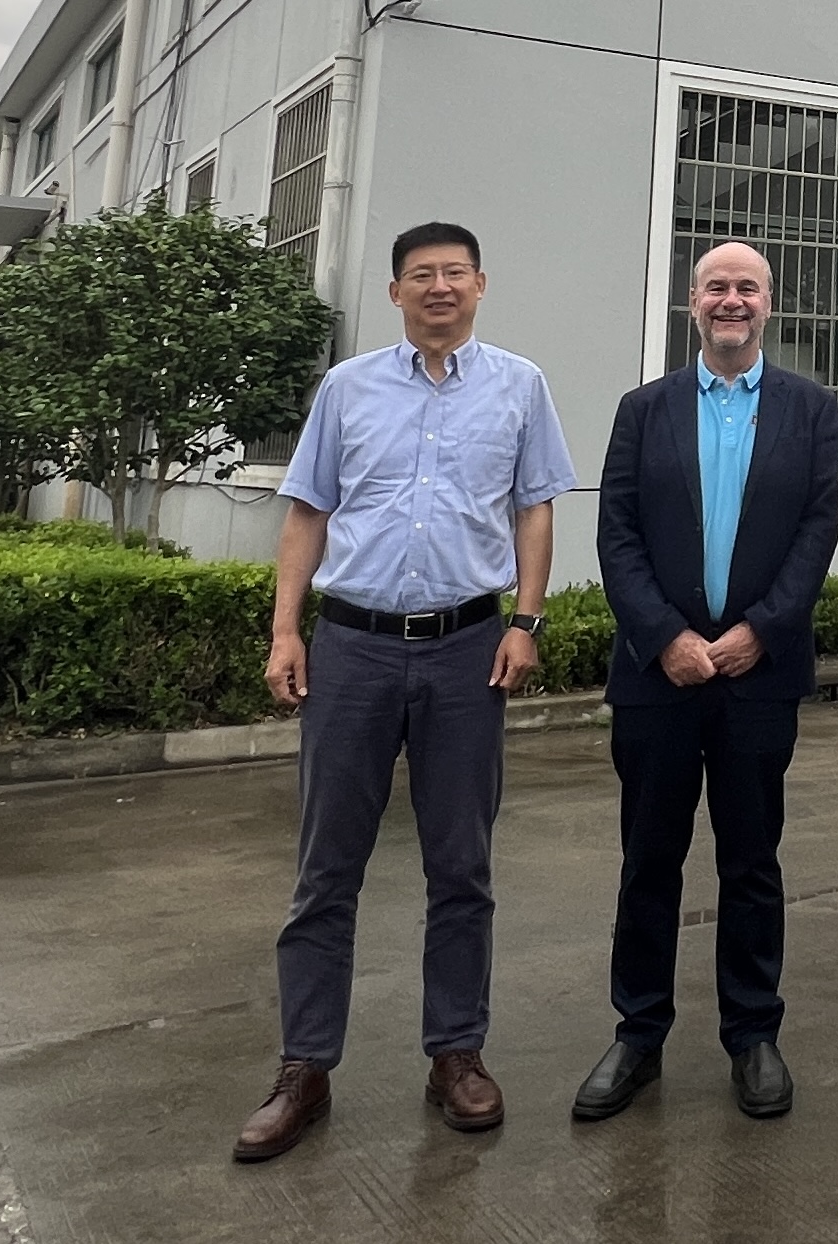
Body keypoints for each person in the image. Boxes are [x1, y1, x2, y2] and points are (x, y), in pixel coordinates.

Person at [233, 222, 575, 1163]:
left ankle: (456, 1053)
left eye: (454, 272)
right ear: (395, 293)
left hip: (467, 649)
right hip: (354, 650)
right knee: (325, 869)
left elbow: (535, 507)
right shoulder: (348, 389)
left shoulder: (520, 386)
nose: (439, 287)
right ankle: (305, 1066)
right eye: (421, 274)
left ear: (480, 284)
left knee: (461, 866)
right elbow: (308, 512)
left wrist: (526, 620)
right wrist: (286, 630)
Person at [573, 241, 838, 1125]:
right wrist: (666, 638)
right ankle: (638, 1035)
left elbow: (817, 531)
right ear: (692, 302)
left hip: (757, 678)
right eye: (717, 287)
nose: (733, 301)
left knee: (752, 862)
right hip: (659, 679)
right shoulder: (643, 410)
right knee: (649, 860)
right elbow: (617, 532)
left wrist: (760, 632)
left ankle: (753, 1034)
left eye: (748, 288)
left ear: (770, 302)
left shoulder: (811, 409)